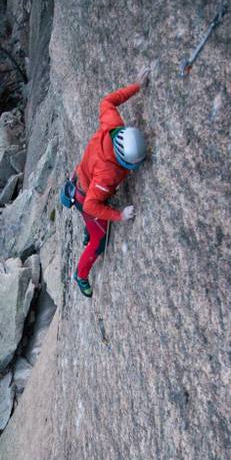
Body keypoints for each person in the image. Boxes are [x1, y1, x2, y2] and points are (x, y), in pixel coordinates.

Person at [72, 67, 150, 297]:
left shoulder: (113, 125)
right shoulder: (106, 174)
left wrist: (136, 86)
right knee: (100, 241)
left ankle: (89, 230)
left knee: (93, 224)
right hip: (84, 196)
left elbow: (108, 101)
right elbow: (90, 206)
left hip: (81, 178)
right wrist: (119, 215)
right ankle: (81, 274)